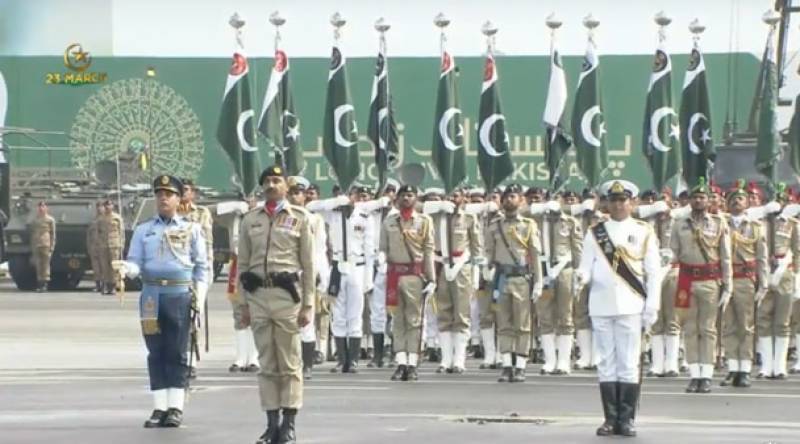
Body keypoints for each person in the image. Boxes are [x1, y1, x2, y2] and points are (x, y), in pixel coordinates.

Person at [121, 175, 208, 428]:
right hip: (151, 297)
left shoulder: (192, 229)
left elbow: (202, 267)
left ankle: (176, 406)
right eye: (159, 194)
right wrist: (129, 268)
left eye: (169, 194)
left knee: (177, 351)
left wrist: (199, 297)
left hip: (179, 296)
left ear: (179, 199)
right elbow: (136, 260)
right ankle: (159, 407)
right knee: (155, 351)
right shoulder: (143, 230)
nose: (163, 198)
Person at [577, 180, 662, 437]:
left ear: (632, 202)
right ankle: (609, 419)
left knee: (627, 361)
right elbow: (586, 265)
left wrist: (652, 305)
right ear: (606, 203)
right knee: (606, 362)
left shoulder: (643, 230)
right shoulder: (595, 232)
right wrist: (580, 276)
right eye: (613, 200)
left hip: (630, 303)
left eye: (622, 200)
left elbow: (653, 272)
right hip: (601, 304)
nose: (618, 204)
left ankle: (626, 419)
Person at [237, 166, 315, 444]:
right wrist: (241, 305)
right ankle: (271, 424)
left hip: (286, 297)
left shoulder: (301, 218)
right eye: (267, 181)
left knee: (290, 362)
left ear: (285, 185)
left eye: (277, 181)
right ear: (262, 186)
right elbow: (242, 265)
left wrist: (308, 305)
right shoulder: (249, 220)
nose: (272, 185)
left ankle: (289, 424)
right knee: (266, 362)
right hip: (258, 296)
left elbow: (308, 264)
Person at [670, 178, 732, 393]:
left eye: (702, 197)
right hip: (687, 280)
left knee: (707, 329)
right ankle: (694, 373)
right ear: (689, 201)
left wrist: (728, 284)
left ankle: (706, 374)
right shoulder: (679, 224)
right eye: (695, 197)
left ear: (708, 200)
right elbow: (674, 252)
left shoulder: (718, 223)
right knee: (689, 328)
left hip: (709, 281)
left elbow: (725, 257)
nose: (698, 201)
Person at [306, 183, 375, 374]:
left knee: (355, 315)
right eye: (349, 194)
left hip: (357, 267)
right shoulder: (333, 213)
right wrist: (335, 201)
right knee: (338, 316)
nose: (352, 198)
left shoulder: (365, 216)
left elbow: (370, 250)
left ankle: (352, 360)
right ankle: (341, 359)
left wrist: (368, 278)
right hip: (337, 267)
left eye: (355, 195)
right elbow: (311, 207)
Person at [484, 184, 543, 382]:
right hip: (502, 279)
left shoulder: (528, 225)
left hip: (521, 279)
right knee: (503, 324)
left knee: (523, 324)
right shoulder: (494, 225)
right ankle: (507, 364)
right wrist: (487, 269)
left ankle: (521, 366)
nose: (510, 200)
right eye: (507, 197)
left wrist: (539, 282)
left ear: (521, 201)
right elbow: (489, 253)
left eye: (513, 196)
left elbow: (535, 255)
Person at [380, 184, 435, 381]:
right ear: (397, 199)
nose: (406, 198)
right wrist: (381, 259)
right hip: (394, 274)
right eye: (402, 195)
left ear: (416, 198)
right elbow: (383, 247)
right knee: (397, 320)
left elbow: (428, 250)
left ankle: (412, 363)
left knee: (415, 321)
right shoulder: (389, 221)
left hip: (415, 275)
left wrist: (432, 278)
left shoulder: (424, 221)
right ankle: (400, 361)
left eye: (410, 195)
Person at [424, 187, 482, 374]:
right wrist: (440, 204)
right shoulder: (435, 216)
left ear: (464, 198)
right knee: (444, 314)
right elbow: (418, 206)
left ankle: (459, 359)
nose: (453, 198)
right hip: (441, 267)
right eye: (450, 195)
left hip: (461, 268)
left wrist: (476, 275)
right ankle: (446, 359)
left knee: (462, 315)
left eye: (456, 195)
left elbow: (476, 248)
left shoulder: (469, 218)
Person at [720, 180, 767, 387]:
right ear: (727, 204)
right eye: (733, 199)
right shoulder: (721, 224)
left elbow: (762, 256)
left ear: (748, 203)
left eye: (741, 199)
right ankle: (733, 367)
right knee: (729, 325)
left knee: (746, 326)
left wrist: (763, 283)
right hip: (726, 278)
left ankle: (745, 368)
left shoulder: (756, 226)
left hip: (746, 279)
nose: (737, 202)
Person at [287, 176, 329, 380]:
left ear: (305, 196)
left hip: (306, 274)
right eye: (292, 192)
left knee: (307, 321)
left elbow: (319, 250)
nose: (295, 197)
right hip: (286, 275)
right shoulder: (281, 217)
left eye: (298, 193)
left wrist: (321, 273)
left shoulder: (315, 219)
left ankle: (307, 365)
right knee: (284, 321)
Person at [756, 185, 800, 379]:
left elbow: (797, 252)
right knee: (764, 320)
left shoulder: (792, 224)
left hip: (785, 275)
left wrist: (795, 276)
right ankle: (766, 365)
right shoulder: (760, 223)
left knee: (782, 322)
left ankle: (779, 365)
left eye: (784, 201)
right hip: (764, 273)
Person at [177, 178, 214, 380]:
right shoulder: (170, 213)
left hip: (197, 271)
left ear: (193, 193)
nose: (183, 193)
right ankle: (178, 357)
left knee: (192, 314)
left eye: (186, 190)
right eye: (180, 190)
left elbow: (207, 243)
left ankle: (190, 361)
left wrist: (206, 273)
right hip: (176, 272)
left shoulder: (201, 213)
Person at [98, 200, 125, 295]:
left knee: (114, 266)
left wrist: (122, 244)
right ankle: (106, 285)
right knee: (104, 266)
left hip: (114, 244)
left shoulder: (117, 218)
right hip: (103, 244)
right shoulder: (101, 219)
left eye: (109, 205)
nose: (108, 207)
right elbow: (98, 232)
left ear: (112, 206)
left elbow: (121, 232)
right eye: (106, 205)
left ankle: (113, 286)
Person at [31, 201, 56, 292]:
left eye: (43, 206)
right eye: (39, 207)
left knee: (45, 265)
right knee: (38, 265)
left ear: (46, 208)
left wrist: (52, 246)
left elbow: (53, 234)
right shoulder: (35, 220)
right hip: (37, 244)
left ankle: (44, 284)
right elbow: (33, 233)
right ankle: (39, 284)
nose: (41, 208)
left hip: (46, 244)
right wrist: (33, 245)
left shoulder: (50, 220)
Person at [87, 201, 103, 292]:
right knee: (96, 268)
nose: (99, 208)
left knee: (105, 267)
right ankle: (98, 285)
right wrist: (89, 246)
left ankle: (106, 285)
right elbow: (89, 235)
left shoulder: (108, 219)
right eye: (98, 207)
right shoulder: (94, 220)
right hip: (94, 247)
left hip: (105, 246)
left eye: (101, 206)